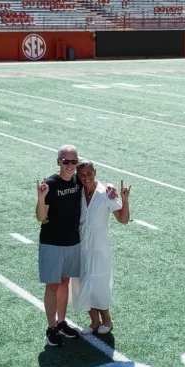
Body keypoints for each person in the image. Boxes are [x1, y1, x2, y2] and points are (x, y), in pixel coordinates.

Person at [71, 161, 130, 335]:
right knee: (82, 282)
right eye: (82, 174)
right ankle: (94, 321)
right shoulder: (76, 191)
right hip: (81, 246)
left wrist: (125, 201)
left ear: (95, 172)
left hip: (100, 247)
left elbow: (123, 219)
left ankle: (107, 320)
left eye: (89, 173)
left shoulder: (106, 193)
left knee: (99, 284)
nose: (86, 177)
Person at [36, 145, 85, 347]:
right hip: (52, 243)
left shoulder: (78, 180)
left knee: (64, 283)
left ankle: (62, 322)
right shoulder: (50, 184)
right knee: (53, 285)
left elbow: (94, 183)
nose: (70, 165)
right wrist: (40, 197)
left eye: (74, 161)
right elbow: (41, 217)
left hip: (72, 242)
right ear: (58, 162)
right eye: (66, 161)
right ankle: (51, 328)